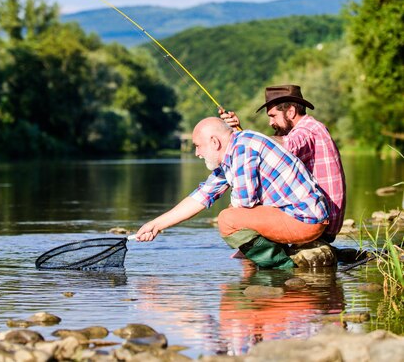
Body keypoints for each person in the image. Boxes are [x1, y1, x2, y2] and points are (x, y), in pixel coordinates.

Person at [135, 117, 330, 269]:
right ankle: (277, 259)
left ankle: (283, 267)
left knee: (228, 219)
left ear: (214, 142)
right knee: (232, 215)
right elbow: (201, 196)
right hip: (300, 216)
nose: (197, 153)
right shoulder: (234, 151)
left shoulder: (242, 149)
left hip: (304, 220)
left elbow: (244, 202)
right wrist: (156, 224)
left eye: (197, 146)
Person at [220, 85, 345, 243]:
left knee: (234, 215)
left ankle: (265, 264)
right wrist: (238, 132)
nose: (270, 122)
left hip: (318, 224)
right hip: (317, 219)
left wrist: (242, 137)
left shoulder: (308, 131)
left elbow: (287, 145)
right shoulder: (313, 127)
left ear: (291, 112)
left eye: (273, 116)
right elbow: (267, 151)